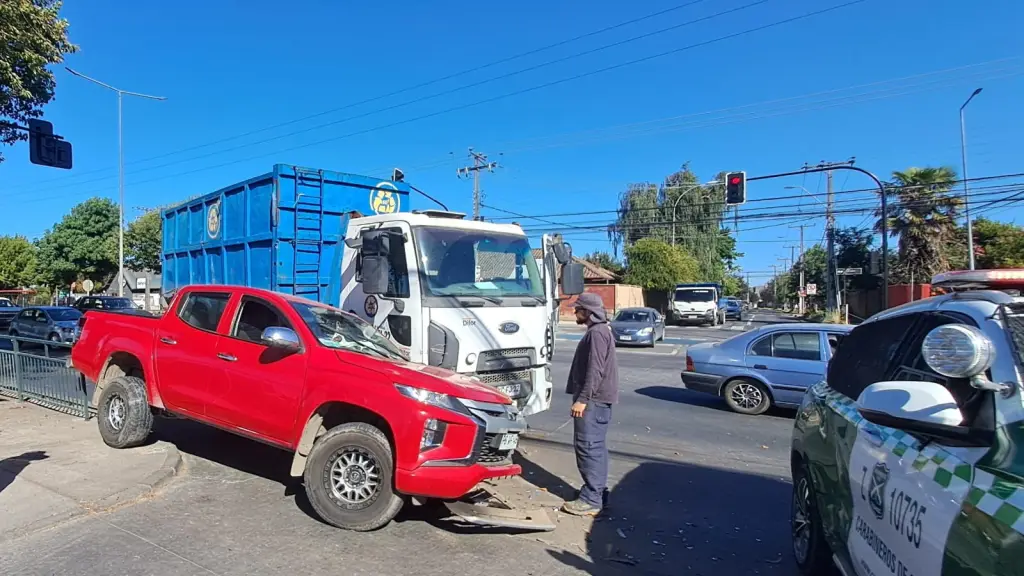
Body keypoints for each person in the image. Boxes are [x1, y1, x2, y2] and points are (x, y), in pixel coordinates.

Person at [561, 292, 619, 517]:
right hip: (599, 400)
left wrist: (582, 400)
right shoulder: (600, 331)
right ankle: (598, 493)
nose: (575, 312)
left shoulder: (597, 333)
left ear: (589, 312)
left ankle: (591, 499)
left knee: (588, 448)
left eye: (578, 309)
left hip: (593, 401)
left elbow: (595, 370)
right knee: (596, 447)